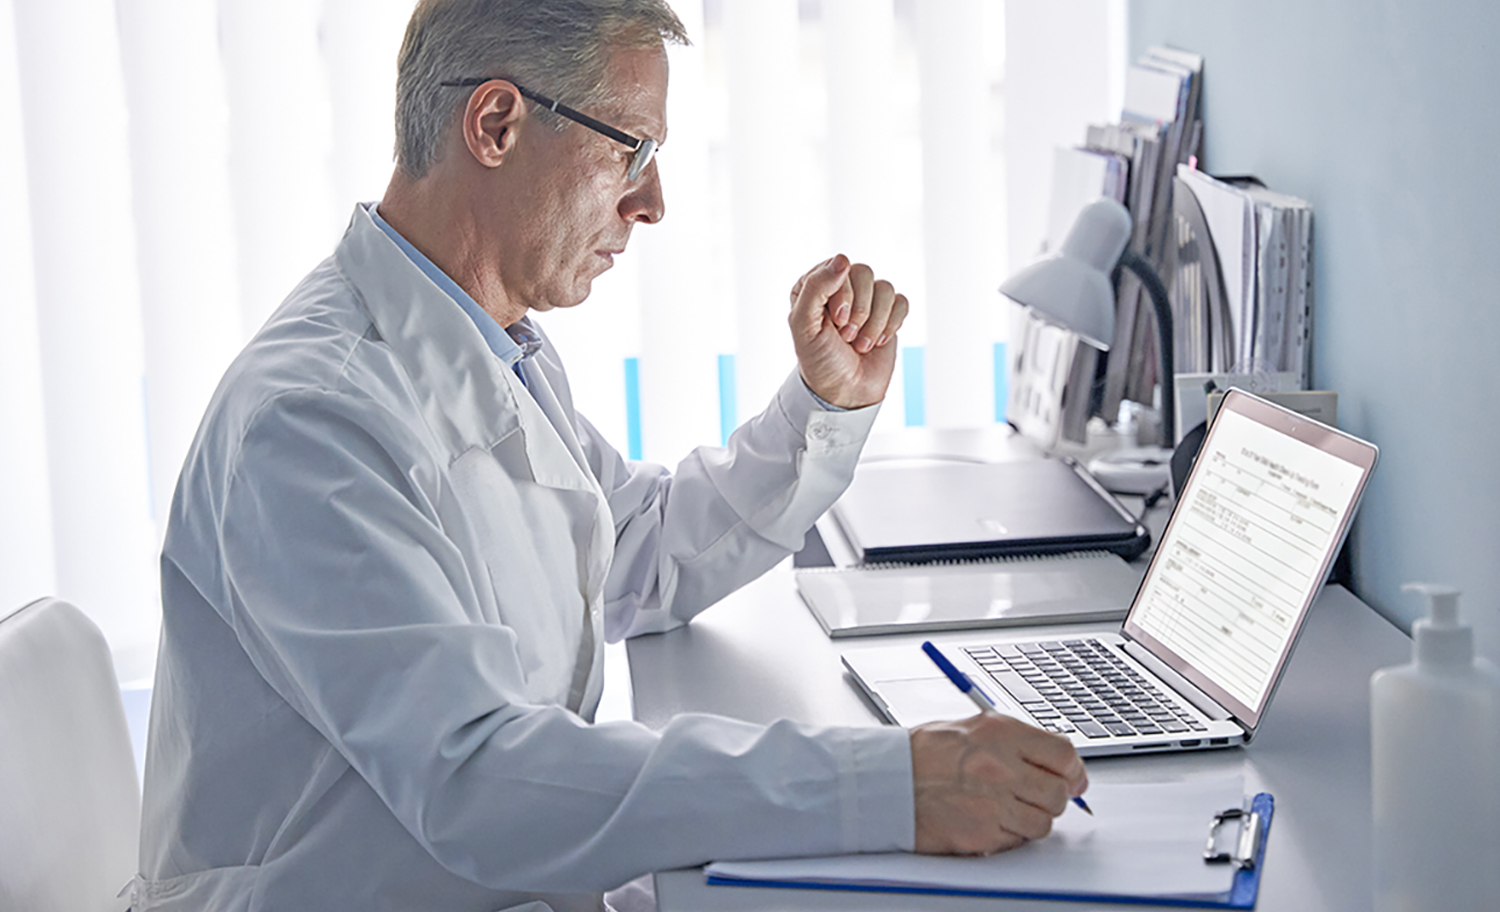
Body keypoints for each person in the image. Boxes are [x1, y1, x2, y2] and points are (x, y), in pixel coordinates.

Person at [134, 1, 1088, 910]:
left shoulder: (488, 346)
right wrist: (896, 784)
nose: (654, 202)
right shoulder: (313, 422)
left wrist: (821, 407)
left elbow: (638, 548)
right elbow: (477, 780)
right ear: (498, 124)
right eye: (632, 148)